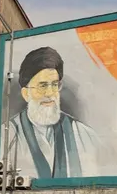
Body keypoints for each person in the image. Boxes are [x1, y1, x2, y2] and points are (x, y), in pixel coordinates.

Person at [9, 46, 99, 178]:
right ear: (26, 93)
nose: (50, 93)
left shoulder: (84, 135)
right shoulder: (9, 136)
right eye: (43, 86)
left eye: (55, 85)